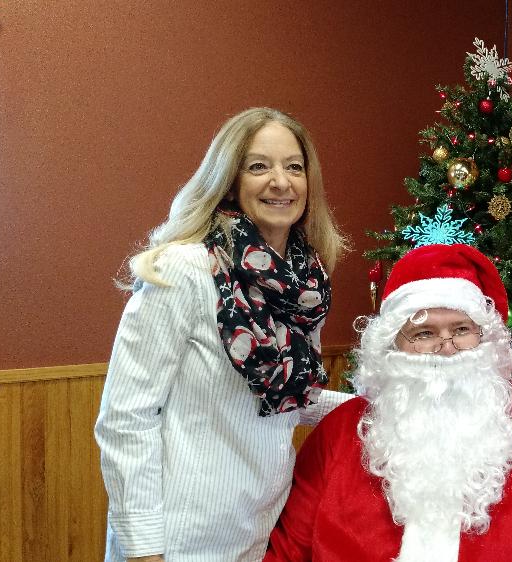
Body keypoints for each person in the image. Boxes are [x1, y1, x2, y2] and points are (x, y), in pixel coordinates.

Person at [95, 107, 353, 562]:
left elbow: (289, 397)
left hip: (259, 530)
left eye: (294, 167)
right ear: (230, 181)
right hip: (175, 540)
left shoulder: (305, 288)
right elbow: (126, 418)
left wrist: (375, 407)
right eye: (259, 166)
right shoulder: (184, 271)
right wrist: (143, 549)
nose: (281, 181)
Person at [263, 244, 512, 562]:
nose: (446, 347)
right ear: (391, 345)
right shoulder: (340, 434)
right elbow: (288, 550)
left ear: (486, 339)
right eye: (424, 333)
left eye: (461, 330)